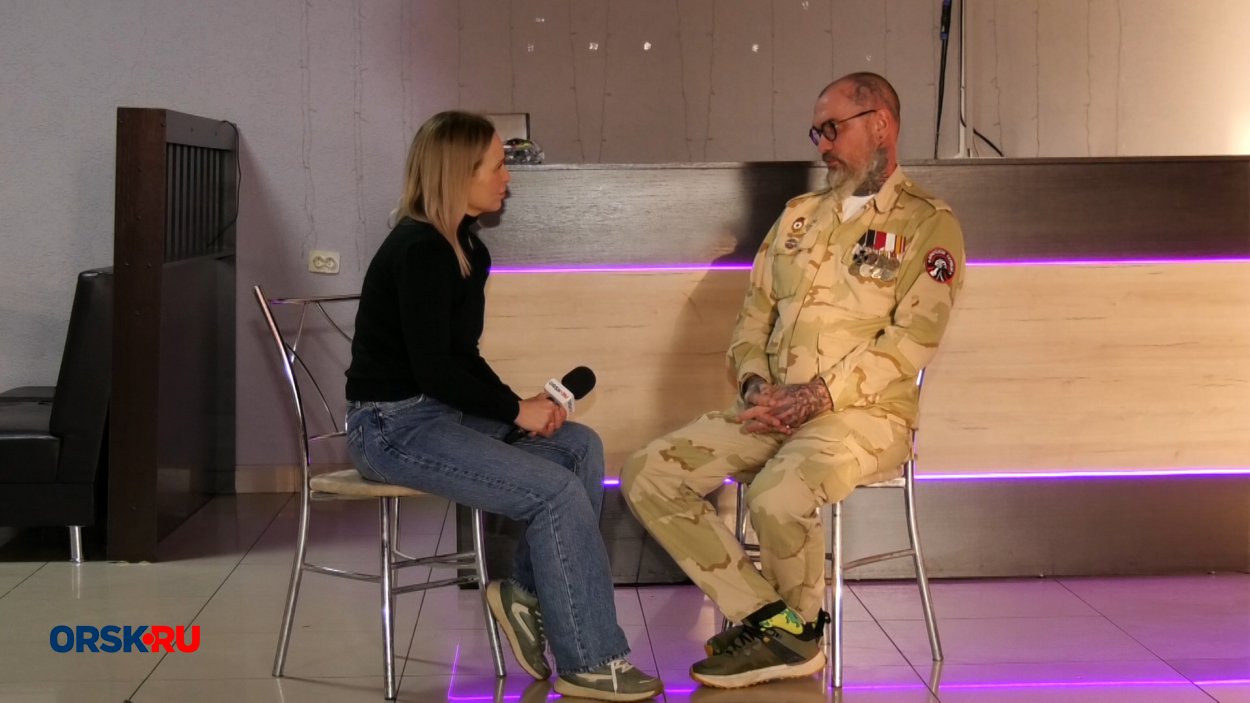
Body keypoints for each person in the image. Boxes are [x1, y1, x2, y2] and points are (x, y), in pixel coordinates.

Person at [621, 72, 965, 689]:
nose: (822, 145)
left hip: (864, 418)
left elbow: (912, 342)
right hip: (774, 410)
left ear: (880, 125)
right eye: (817, 133)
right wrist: (756, 386)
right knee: (649, 473)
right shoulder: (798, 218)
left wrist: (818, 395)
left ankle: (790, 633)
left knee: (776, 493)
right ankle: (781, 627)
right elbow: (751, 320)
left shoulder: (926, 224)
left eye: (832, 129)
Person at [344, 110, 662, 702]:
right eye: (496, 166)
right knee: (555, 491)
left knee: (579, 447)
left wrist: (518, 404)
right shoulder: (419, 249)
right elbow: (432, 370)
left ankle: (524, 596)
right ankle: (591, 660)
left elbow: (460, 357)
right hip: (390, 426)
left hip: (437, 411)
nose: (507, 177)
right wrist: (515, 413)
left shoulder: (467, 247)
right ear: (458, 172)